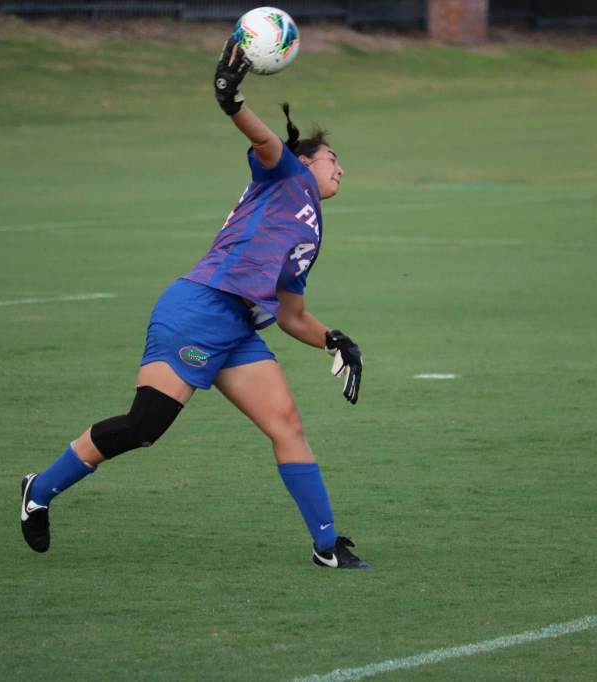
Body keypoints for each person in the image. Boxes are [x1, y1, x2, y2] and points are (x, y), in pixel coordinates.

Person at [19, 37, 369, 569]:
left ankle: (327, 545)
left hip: (236, 330)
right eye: (333, 159)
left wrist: (334, 340)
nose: (341, 169)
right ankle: (39, 489)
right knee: (144, 426)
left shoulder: (310, 230)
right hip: (200, 308)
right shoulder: (286, 173)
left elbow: (292, 314)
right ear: (306, 161)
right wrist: (231, 98)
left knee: (287, 426)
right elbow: (266, 141)